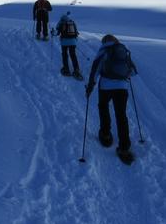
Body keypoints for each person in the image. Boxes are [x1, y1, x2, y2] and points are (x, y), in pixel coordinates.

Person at [85, 34, 138, 163]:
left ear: (104, 41)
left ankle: (106, 134)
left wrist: (90, 87)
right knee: (121, 115)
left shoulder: (103, 51)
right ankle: (124, 147)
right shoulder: (123, 51)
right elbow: (133, 71)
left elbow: (95, 70)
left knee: (103, 108)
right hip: (122, 87)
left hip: (105, 87)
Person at [54, 12, 82, 79]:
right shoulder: (72, 22)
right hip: (73, 42)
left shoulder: (61, 23)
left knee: (65, 55)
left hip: (64, 42)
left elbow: (56, 33)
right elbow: (76, 32)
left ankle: (66, 69)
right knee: (73, 55)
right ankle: (76, 70)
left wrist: (52, 32)